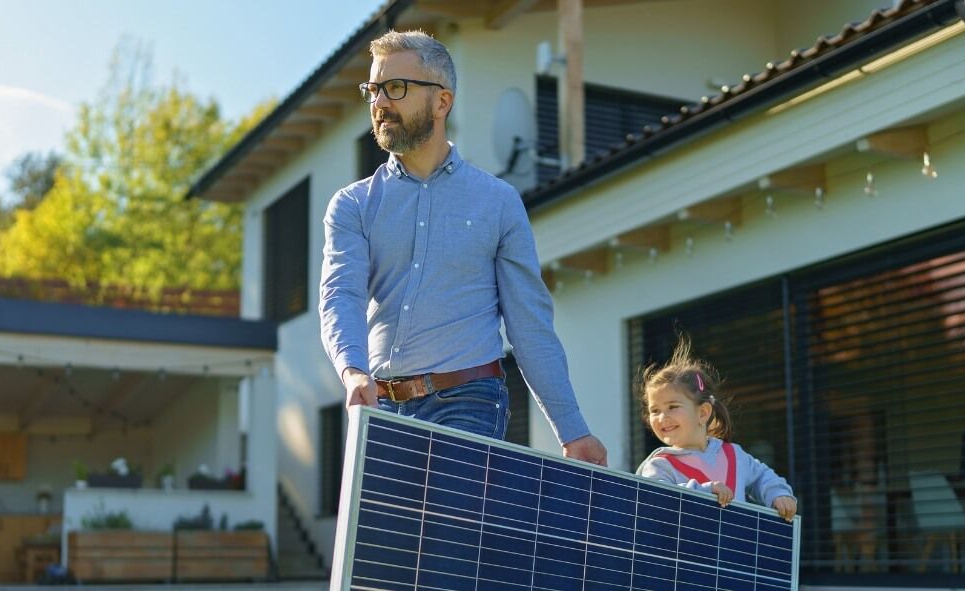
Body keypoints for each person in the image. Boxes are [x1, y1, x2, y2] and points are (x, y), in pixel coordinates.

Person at [318, 30, 607, 466]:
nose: (379, 103)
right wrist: (353, 370)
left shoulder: (499, 202)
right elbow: (341, 295)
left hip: (469, 401)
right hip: (382, 406)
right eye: (373, 90)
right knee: (388, 535)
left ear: (442, 101)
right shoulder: (353, 205)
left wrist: (573, 430)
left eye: (395, 88)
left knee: (449, 532)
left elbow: (530, 325)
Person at [635, 339, 797, 521]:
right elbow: (656, 501)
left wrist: (779, 494)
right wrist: (703, 491)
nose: (662, 417)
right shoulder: (658, 466)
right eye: (654, 410)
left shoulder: (734, 455)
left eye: (672, 406)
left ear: (703, 412)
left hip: (736, 548)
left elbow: (763, 476)